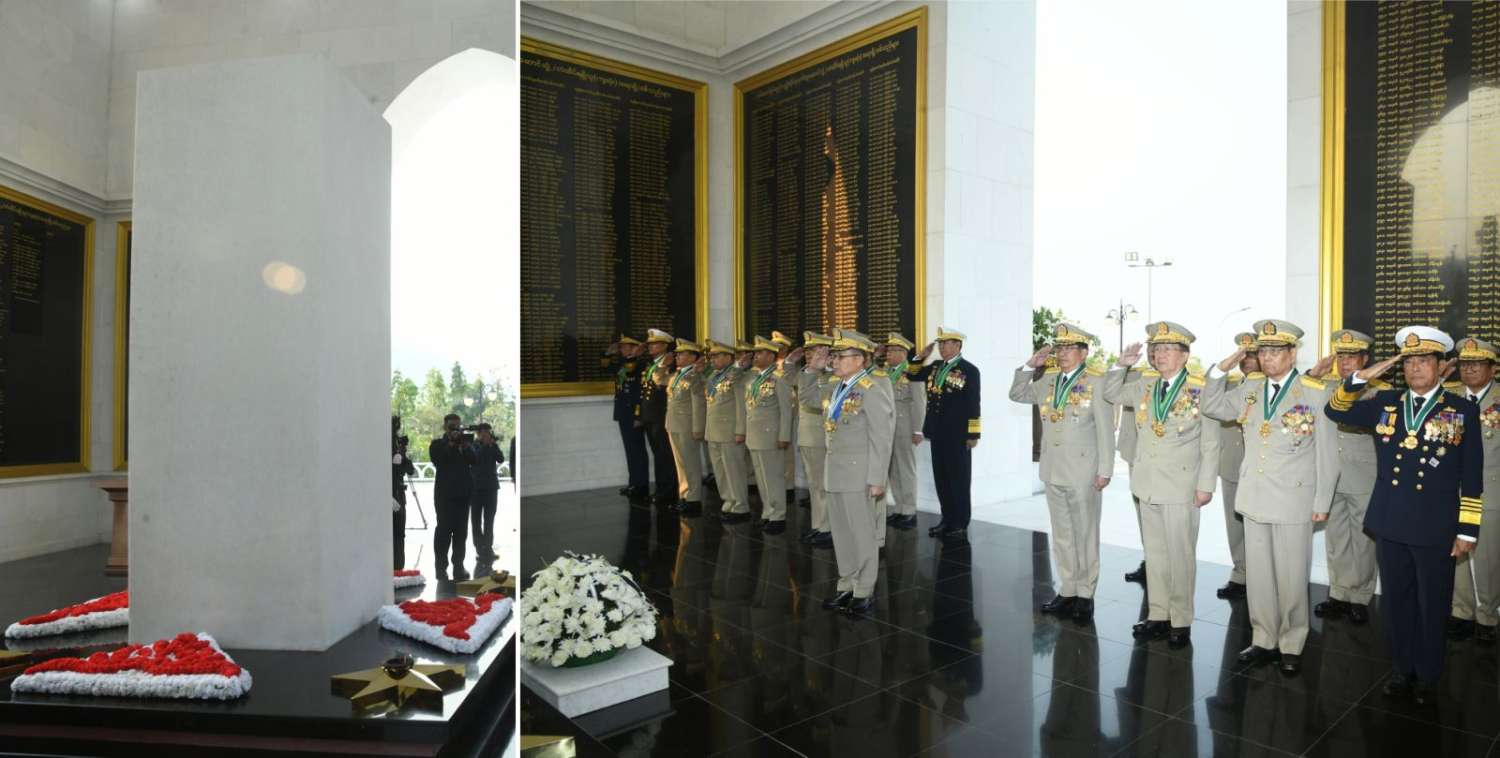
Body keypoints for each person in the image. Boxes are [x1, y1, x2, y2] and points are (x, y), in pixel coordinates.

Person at [1325, 326, 1480, 703]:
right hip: (1391, 520)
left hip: (1435, 525)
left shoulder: (1460, 409)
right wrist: (1360, 377)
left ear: (1441, 366)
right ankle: (1401, 668)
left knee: (1433, 603)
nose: (1415, 368)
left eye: (1424, 361)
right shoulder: (1386, 401)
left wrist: (1467, 529)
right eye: (1409, 362)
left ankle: (1427, 675)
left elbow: (1472, 473)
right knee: (1396, 603)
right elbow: (1335, 409)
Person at [1203, 319, 1335, 675]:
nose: (1268, 357)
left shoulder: (1314, 391)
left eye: (1276, 351)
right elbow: (1212, 406)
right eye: (1263, 351)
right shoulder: (1250, 388)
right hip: (1254, 497)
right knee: (1259, 577)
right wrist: (1221, 369)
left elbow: (1327, 453)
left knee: (1291, 576)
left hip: (1293, 499)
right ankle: (1263, 638)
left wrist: (1322, 501)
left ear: (1292, 353)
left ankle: (1292, 641)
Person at [1104, 321, 1220, 648]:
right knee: (1155, 553)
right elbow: (1110, 393)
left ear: (1184, 355)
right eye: (1156, 349)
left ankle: (1180, 619)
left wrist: (1206, 485)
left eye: (1168, 349)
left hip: (1182, 485)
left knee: (1180, 555)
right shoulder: (1145, 384)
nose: (1160, 354)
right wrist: (1121, 365)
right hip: (1147, 482)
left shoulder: (1200, 388)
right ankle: (1158, 613)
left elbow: (1211, 443)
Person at [1011, 323, 1115, 624]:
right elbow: (1017, 394)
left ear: (1084, 353)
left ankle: (1086, 593)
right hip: (1053, 468)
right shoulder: (1048, 379)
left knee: (1085, 534)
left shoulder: (1097, 381)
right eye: (1060, 348)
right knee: (1062, 535)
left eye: (1069, 348)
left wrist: (1105, 470)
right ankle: (1068, 589)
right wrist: (1029, 366)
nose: (1062, 353)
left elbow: (1106, 430)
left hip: (1083, 471)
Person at [818, 329, 895, 616]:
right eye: (835, 356)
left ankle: (864, 589)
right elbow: (813, 404)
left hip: (858, 474)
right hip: (835, 471)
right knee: (841, 533)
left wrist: (877, 478)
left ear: (860, 359)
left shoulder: (871, 390)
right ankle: (846, 583)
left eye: (841, 356)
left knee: (862, 534)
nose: (835, 361)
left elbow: (882, 437)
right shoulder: (836, 387)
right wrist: (811, 369)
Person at [1316, 329, 1386, 624]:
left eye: (1352, 356)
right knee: (1336, 537)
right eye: (1341, 356)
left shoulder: (1379, 391)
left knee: (1363, 540)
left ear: (1365, 359)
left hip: (1364, 473)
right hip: (1331, 474)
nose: (1345, 362)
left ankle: (1360, 596)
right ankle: (1339, 593)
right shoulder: (1324, 387)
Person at [1448, 337, 1500, 644]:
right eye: (1465, 364)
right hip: (1452, 491)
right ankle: (1461, 611)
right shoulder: (1449, 396)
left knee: (1486, 557)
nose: (1469, 369)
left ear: (1493, 369)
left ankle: (1487, 616)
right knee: (1457, 553)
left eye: (1477, 364)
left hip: (1489, 490)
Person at [912, 327, 981, 540]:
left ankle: (960, 523)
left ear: (958, 345)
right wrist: (921, 357)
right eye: (940, 344)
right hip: (937, 432)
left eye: (946, 343)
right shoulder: (935, 366)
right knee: (942, 479)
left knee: (958, 480)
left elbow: (974, 403)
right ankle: (947, 519)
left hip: (958, 435)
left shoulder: (969, 370)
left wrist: (973, 434)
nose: (942, 347)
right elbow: (912, 374)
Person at [1214, 332, 1259, 600]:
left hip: (1261, 470)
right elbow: (1208, 397)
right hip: (1232, 463)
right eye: (1243, 355)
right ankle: (1240, 573)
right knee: (1235, 525)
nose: (1246, 360)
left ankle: (1261, 577)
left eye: (1252, 354)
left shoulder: (1270, 387)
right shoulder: (1230, 384)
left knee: (1258, 527)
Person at [789, 332, 837, 546]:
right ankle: (819, 525)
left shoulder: (833, 376)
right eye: (808, 351)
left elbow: (810, 400)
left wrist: (815, 370)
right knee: (815, 485)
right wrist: (791, 363)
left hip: (821, 436)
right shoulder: (808, 374)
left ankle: (826, 528)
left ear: (828, 354)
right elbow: (789, 381)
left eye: (816, 351)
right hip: (808, 436)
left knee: (823, 485)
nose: (811, 355)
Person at [743, 335, 793, 534]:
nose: (755, 356)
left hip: (770, 436)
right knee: (761, 478)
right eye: (755, 353)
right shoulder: (753, 378)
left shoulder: (779, 378)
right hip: (755, 435)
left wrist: (784, 436)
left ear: (771, 356)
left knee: (773, 477)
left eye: (760, 353)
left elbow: (786, 410)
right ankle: (767, 511)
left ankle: (778, 515)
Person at [702, 340, 750, 523]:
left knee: (734, 470)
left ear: (729, 358)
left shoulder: (736, 376)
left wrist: (740, 430)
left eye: (716, 356)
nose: (712, 359)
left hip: (730, 431)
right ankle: (728, 502)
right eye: (711, 356)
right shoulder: (714, 376)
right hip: (713, 431)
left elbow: (740, 405)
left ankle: (741, 506)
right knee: (720, 471)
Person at [882, 333, 927, 531]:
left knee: (905, 467)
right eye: (888, 350)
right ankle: (899, 507)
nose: (888, 354)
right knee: (892, 467)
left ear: (903, 353)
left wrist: (918, 429)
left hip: (904, 424)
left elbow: (919, 401)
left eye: (893, 350)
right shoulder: (885, 371)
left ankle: (909, 510)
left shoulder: (912, 372)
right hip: (886, 425)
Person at [429, 413, 477, 581]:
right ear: (445, 427)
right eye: (452, 427)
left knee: (461, 533)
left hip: (463, 495)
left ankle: (458, 567)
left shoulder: (465, 444)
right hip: (445, 496)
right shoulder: (437, 444)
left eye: (458, 426)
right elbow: (439, 460)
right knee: (443, 532)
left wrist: (463, 445)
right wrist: (450, 443)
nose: (455, 429)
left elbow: (474, 460)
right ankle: (440, 568)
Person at [665, 339, 707, 516]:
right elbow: (659, 380)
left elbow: (698, 404)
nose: (677, 357)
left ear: (692, 357)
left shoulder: (695, 377)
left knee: (690, 462)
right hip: (674, 424)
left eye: (681, 354)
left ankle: (694, 498)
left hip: (687, 426)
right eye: (677, 354)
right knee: (680, 463)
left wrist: (698, 428)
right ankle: (684, 495)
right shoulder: (676, 375)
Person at [604, 335, 648, 499]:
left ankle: (641, 485)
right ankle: (634, 483)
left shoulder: (640, 364)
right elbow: (606, 368)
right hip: (623, 412)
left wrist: (638, 415)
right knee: (630, 450)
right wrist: (608, 354)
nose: (621, 349)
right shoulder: (623, 364)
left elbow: (638, 390)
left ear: (634, 347)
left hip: (633, 413)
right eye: (621, 346)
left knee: (637, 450)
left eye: (624, 346)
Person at [638, 328, 677, 507]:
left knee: (664, 454)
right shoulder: (651, 364)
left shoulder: (671, 364)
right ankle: (661, 489)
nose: (650, 347)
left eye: (654, 344)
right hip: (650, 415)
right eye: (650, 344)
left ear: (664, 346)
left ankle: (668, 490)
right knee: (658, 454)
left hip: (661, 415)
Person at [469, 423, 504, 568]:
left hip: (491, 487)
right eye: (484, 433)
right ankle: (479, 549)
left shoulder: (492, 445)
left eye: (488, 432)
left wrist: (492, 445)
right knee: (476, 520)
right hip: (476, 488)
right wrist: (484, 445)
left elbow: (500, 458)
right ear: (479, 434)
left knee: (489, 520)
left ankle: (488, 548)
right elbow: (475, 459)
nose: (487, 435)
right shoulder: (473, 445)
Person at [391, 415, 416, 570]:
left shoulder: (397, 445)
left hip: (399, 493)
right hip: (388, 492)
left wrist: (402, 454)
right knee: (390, 535)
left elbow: (410, 470)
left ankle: (399, 567)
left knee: (400, 534)